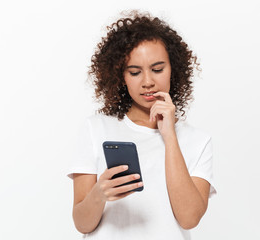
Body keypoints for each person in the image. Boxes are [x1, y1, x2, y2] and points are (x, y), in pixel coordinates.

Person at [67, 10, 217, 240]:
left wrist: (169, 136)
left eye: (157, 69)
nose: (148, 81)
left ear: (173, 71)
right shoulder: (95, 129)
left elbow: (189, 218)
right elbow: (82, 224)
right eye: (135, 72)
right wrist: (99, 194)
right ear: (121, 76)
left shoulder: (197, 140)